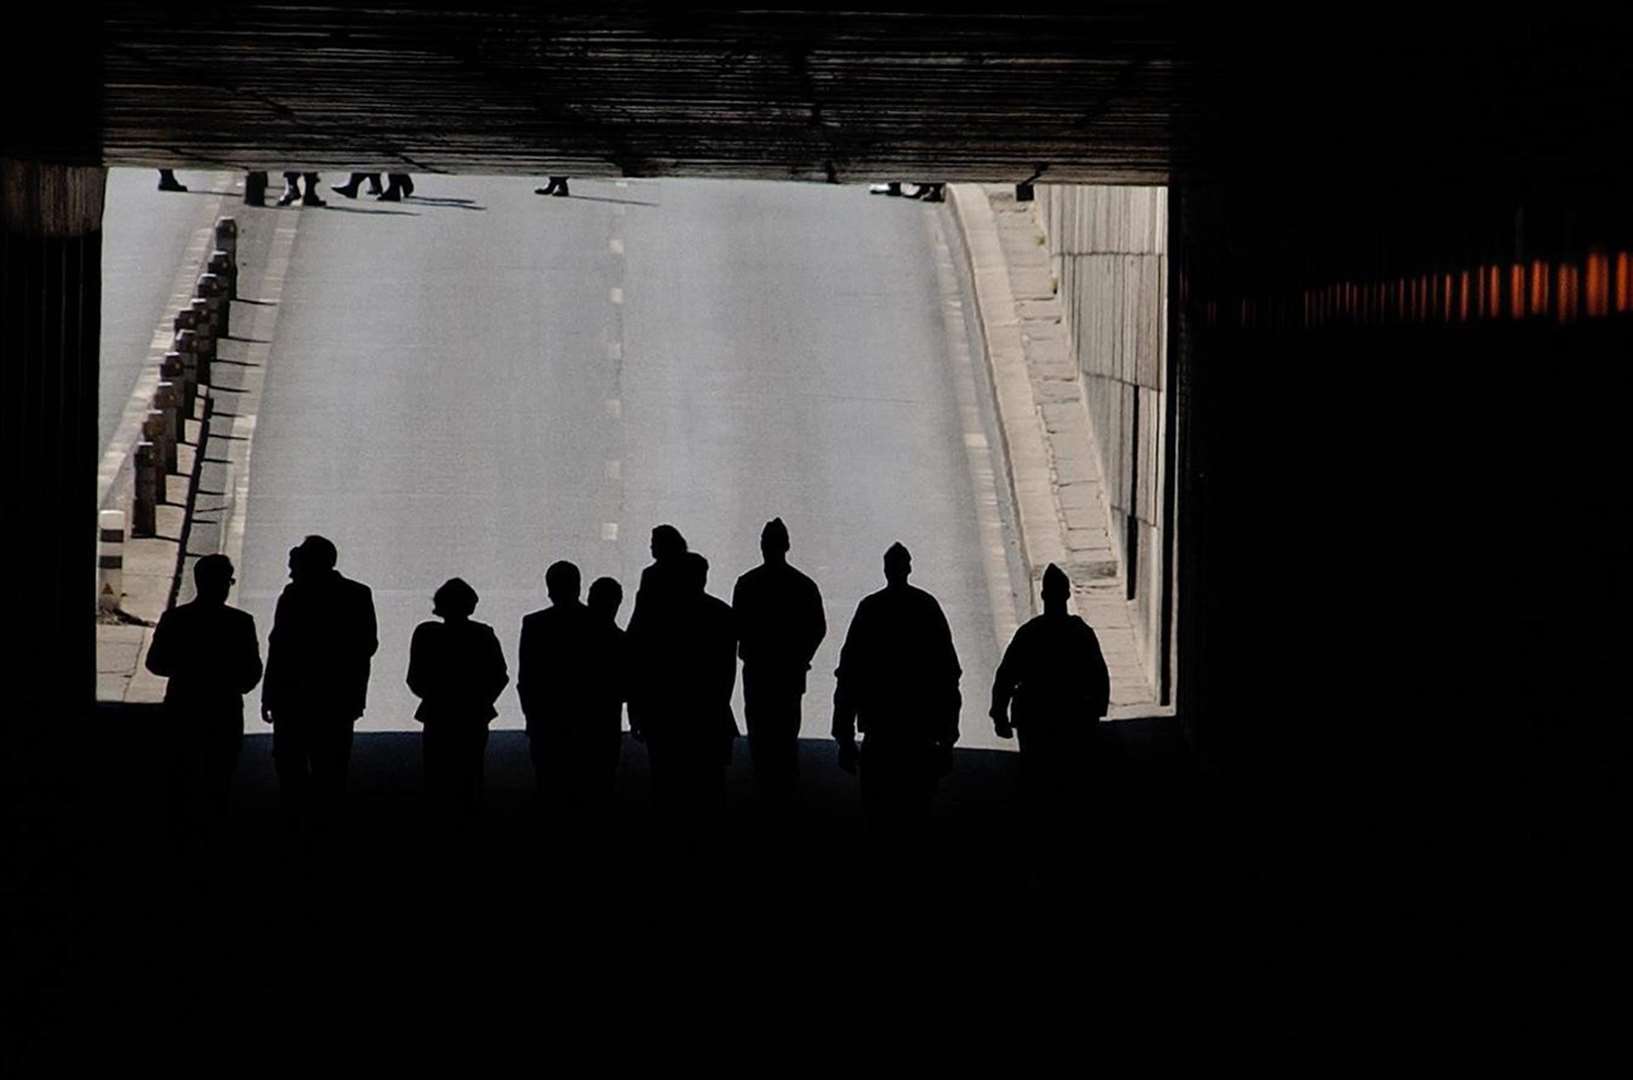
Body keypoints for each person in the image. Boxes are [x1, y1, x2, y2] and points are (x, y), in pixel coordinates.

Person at [832, 542, 961, 831]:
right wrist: (948, 736)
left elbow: (850, 674)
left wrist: (843, 734)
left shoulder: (870, 609)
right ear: (909, 568)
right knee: (916, 814)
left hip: (881, 731)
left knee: (879, 815)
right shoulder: (927, 608)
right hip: (920, 731)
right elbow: (947, 675)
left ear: (886, 569)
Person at [261, 535, 377, 830]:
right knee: (332, 767)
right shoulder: (357, 594)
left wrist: (270, 695)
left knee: (291, 767)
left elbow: (279, 648)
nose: (291, 570)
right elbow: (367, 644)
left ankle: (297, 824)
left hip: (293, 698)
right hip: (339, 698)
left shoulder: (293, 596)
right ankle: (327, 825)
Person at [144, 554, 262, 828]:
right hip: (225, 708)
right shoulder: (241, 623)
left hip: (183, 705)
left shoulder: (174, 619)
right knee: (219, 776)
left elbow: (155, 663)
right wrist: (236, 685)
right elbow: (252, 669)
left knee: (181, 771)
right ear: (224, 584)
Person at [990, 563, 1110, 819]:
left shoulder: (1030, 633)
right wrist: (1096, 712)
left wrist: (999, 713)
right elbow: (1099, 676)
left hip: (1035, 721)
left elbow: (1006, 675)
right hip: (1074, 721)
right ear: (1067, 595)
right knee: (1073, 785)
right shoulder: (1081, 634)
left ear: (1043, 596)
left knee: (1035, 783)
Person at [629, 551, 737, 816]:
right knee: (709, 791)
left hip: (665, 715)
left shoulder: (660, 615)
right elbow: (726, 670)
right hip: (709, 715)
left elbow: (645, 667)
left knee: (665, 787)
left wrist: (637, 711)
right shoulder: (722, 613)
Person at [730, 517, 825, 806]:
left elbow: (737, 626)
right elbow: (817, 628)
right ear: (787, 546)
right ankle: (784, 792)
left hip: (758, 670)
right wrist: (801, 657)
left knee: (760, 731)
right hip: (789, 672)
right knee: (785, 731)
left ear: (763, 546)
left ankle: (764, 788)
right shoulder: (803, 585)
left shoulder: (747, 584)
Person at [517, 562, 625, 810]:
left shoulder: (534, 624)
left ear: (549, 588)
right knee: (596, 792)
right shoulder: (600, 624)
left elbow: (528, 678)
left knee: (552, 790)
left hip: (548, 723)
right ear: (578, 587)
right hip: (596, 725)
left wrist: (532, 718)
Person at [407, 578, 509, 819]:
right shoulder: (482, 634)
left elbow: (415, 678)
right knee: (471, 775)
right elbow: (499, 676)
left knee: (437, 777)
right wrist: (480, 701)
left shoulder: (426, 634)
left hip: (438, 714)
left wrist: (438, 697)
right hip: (474, 715)